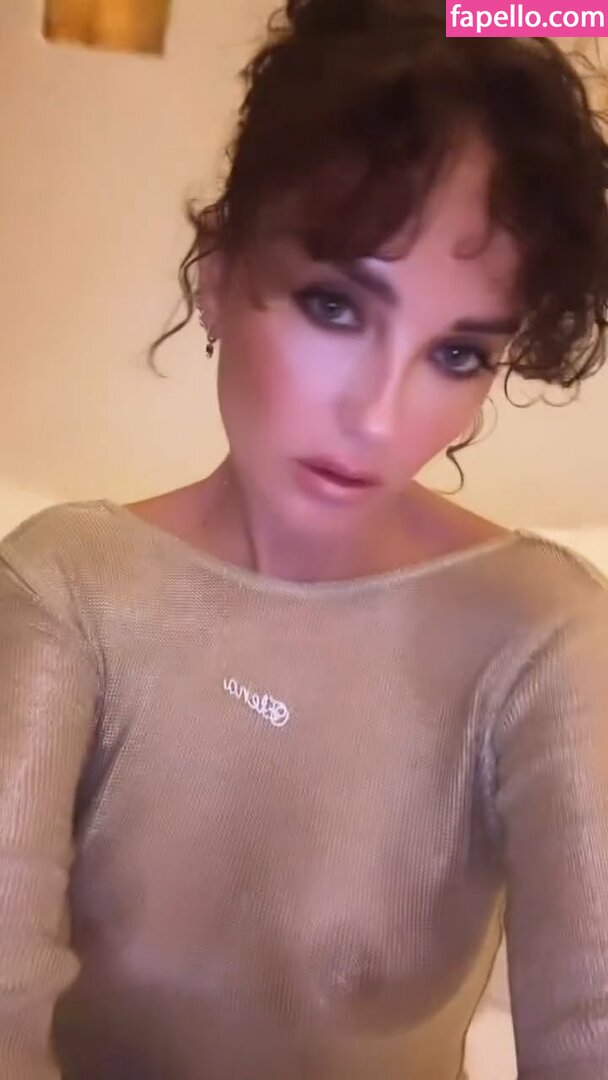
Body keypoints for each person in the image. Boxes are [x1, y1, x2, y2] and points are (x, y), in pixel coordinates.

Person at [1, 1, 607, 1077]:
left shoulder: (542, 633)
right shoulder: (66, 593)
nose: (378, 418)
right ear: (217, 272)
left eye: (456, 355)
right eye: (334, 307)